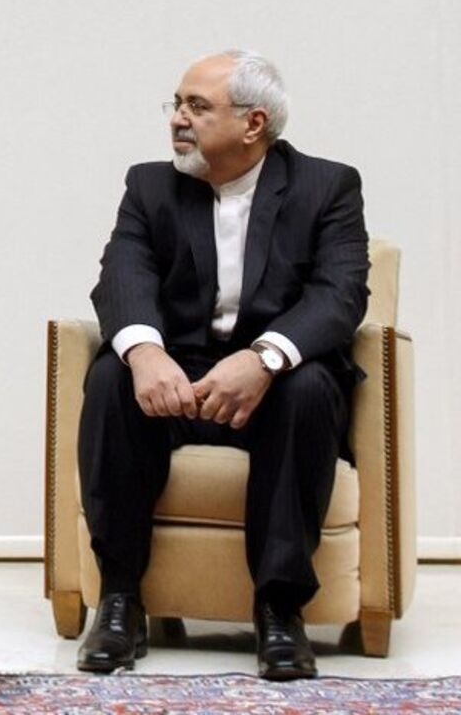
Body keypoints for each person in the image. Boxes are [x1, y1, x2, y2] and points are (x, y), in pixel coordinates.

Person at [75, 50, 368, 681]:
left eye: (196, 107)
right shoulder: (150, 186)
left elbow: (339, 295)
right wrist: (146, 352)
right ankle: (120, 599)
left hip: (274, 386)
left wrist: (264, 359)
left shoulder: (327, 187)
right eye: (176, 104)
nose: (178, 119)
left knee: (312, 386)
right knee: (110, 376)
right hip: (176, 382)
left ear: (253, 124)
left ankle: (279, 610)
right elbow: (123, 273)